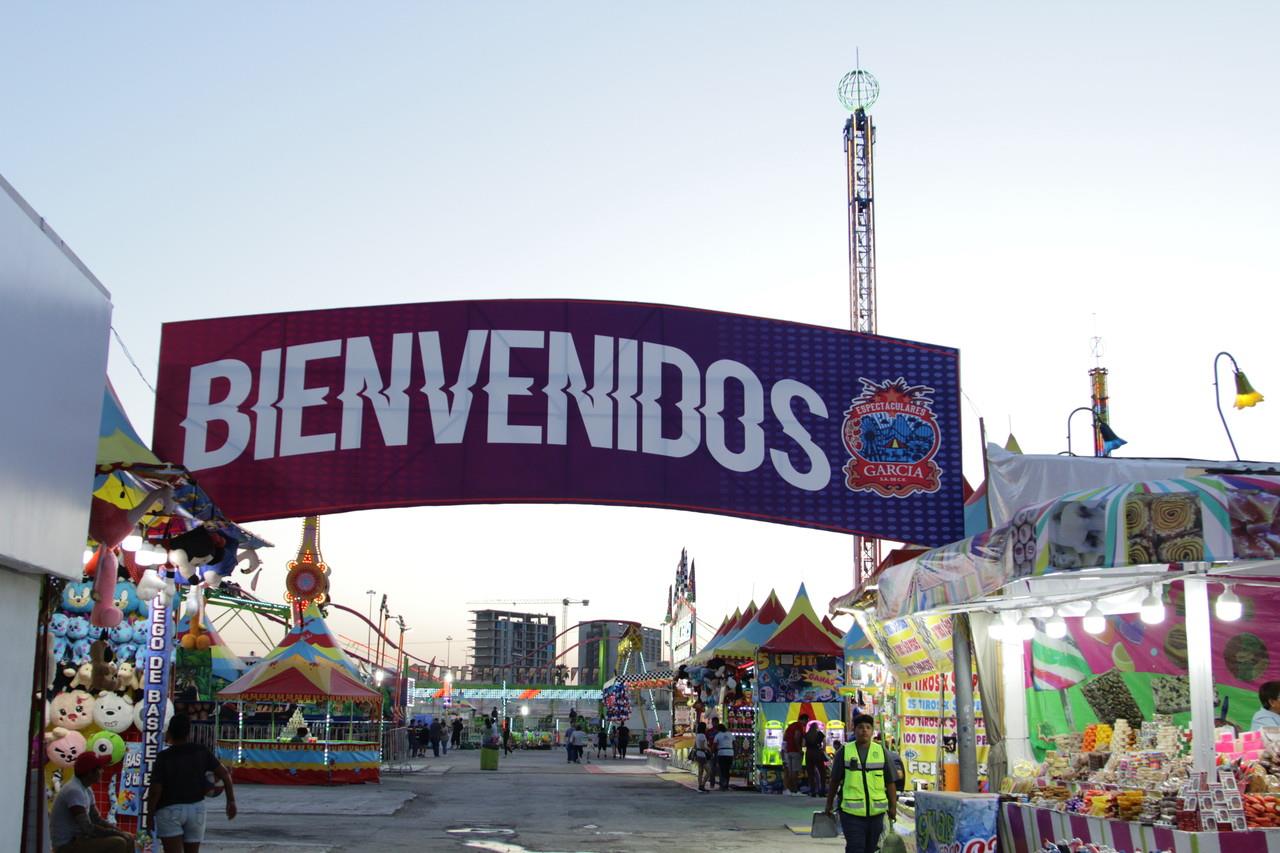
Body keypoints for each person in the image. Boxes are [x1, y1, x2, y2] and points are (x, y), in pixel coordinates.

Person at [147, 712, 237, 853]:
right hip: (197, 809)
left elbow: (155, 790)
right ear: (188, 732)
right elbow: (225, 775)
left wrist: (149, 815)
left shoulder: (163, 757)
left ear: (169, 732)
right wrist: (230, 802)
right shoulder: (201, 751)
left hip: (169, 810)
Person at [824, 714, 897, 853]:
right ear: (854, 730)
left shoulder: (881, 751)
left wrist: (893, 807)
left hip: (876, 814)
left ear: (872, 731)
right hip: (851, 814)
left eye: (868, 727)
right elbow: (834, 781)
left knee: (871, 849)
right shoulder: (844, 752)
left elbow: (890, 782)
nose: (864, 730)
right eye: (860, 727)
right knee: (855, 848)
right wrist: (829, 804)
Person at [49, 753, 135, 852]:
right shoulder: (74, 790)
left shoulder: (86, 788)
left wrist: (121, 831)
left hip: (79, 839)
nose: (102, 771)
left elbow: (96, 819)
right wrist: (118, 833)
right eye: (100, 769)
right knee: (119, 843)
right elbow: (87, 828)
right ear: (90, 773)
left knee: (129, 839)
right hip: (66, 845)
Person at [782, 713, 808, 795]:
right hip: (795, 751)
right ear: (803, 720)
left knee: (789, 771)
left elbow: (784, 737)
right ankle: (795, 790)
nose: (806, 723)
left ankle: (788, 789)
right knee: (795, 771)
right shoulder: (799, 726)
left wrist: (783, 750)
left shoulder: (790, 726)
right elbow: (796, 737)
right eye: (806, 721)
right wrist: (799, 749)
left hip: (788, 751)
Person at [804, 720, 829, 797]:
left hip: (809, 753)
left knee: (811, 773)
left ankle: (813, 791)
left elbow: (803, 744)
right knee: (822, 772)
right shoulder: (819, 734)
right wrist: (823, 749)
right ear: (816, 727)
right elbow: (825, 742)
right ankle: (822, 791)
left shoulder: (807, 734)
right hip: (817, 753)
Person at [713, 724, 735, 790]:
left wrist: (713, 752)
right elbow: (734, 743)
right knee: (727, 769)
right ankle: (726, 784)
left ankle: (722, 785)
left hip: (721, 753)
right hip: (730, 753)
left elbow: (714, 745)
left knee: (722, 769)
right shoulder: (730, 734)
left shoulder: (718, 735)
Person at [693, 721, 711, 793]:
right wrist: (709, 749)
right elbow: (703, 746)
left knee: (700, 771)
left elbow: (695, 746)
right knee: (709, 771)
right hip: (702, 755)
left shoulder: (697, 735)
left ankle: (700, 785)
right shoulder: (703, 736)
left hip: (698, 754)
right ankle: (703, 785)